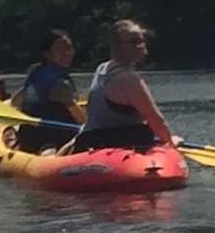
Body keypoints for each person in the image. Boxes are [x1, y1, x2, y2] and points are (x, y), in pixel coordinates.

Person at [66, 21, 176, 154]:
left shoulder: (102, 68)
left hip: (89, 141)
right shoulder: (129, 79)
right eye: (134, 41)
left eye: (141, 40)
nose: (140, 45)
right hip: (112, 146)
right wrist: (170, 142)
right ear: (116, 45)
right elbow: (157, 121)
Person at [13, 30, 84, 152]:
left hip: (28, 138)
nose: (67, 53)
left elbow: (15, 101)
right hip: (53, 141)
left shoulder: (35, 73)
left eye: (69, 47)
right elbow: (82, 120)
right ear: (47, 54)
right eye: (61, 49)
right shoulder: (61, 84)